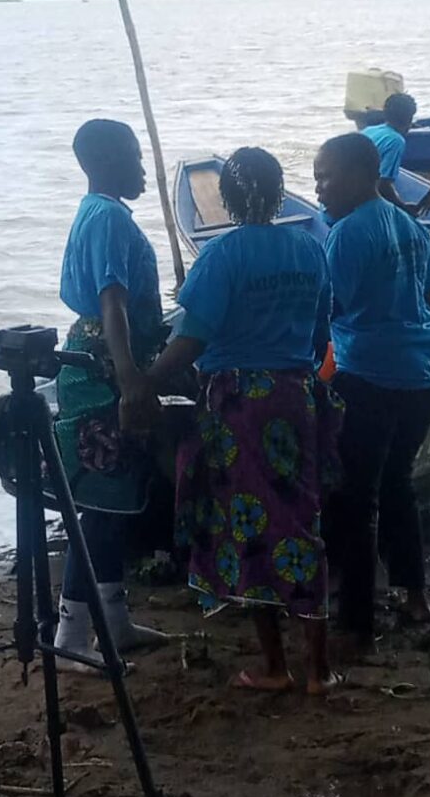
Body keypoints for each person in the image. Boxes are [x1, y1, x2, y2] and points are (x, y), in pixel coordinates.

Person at [145, 148, 343, 694]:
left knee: (251, 526)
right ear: (280, 194)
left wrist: (145, 381)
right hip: (296, 397)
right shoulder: (310, 249)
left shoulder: (221, 255)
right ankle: (319, 669)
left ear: (227, 199)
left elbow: (192, 337)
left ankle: (276, 665)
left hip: (238, 407)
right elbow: (320, 334)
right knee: (301, 521)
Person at [315, 133, 430, 652]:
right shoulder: (407, 224)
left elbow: (326, 312)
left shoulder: (347, 233)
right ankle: (415, 597)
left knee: (355, 496)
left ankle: (356, 622)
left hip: (373, 374)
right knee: (397, 481)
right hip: (429, 372)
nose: (319, 188)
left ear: (359, 175)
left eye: (326, 177)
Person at [54, 119, 168, 669]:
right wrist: (129, 381)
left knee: (117, 500)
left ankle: (115, 621)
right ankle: (72, 637)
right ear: (104, 162)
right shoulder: (108, 218)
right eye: (134, 157)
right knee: (99, 508)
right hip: (101, 374)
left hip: (104, 364)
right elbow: (112, 303)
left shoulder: (102, 212)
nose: (143, 168)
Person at [361, 92, 417, 210]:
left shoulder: (369, 130)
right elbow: (383, 185)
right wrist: (402, 206)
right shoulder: (396, 140)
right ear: (410, 118)